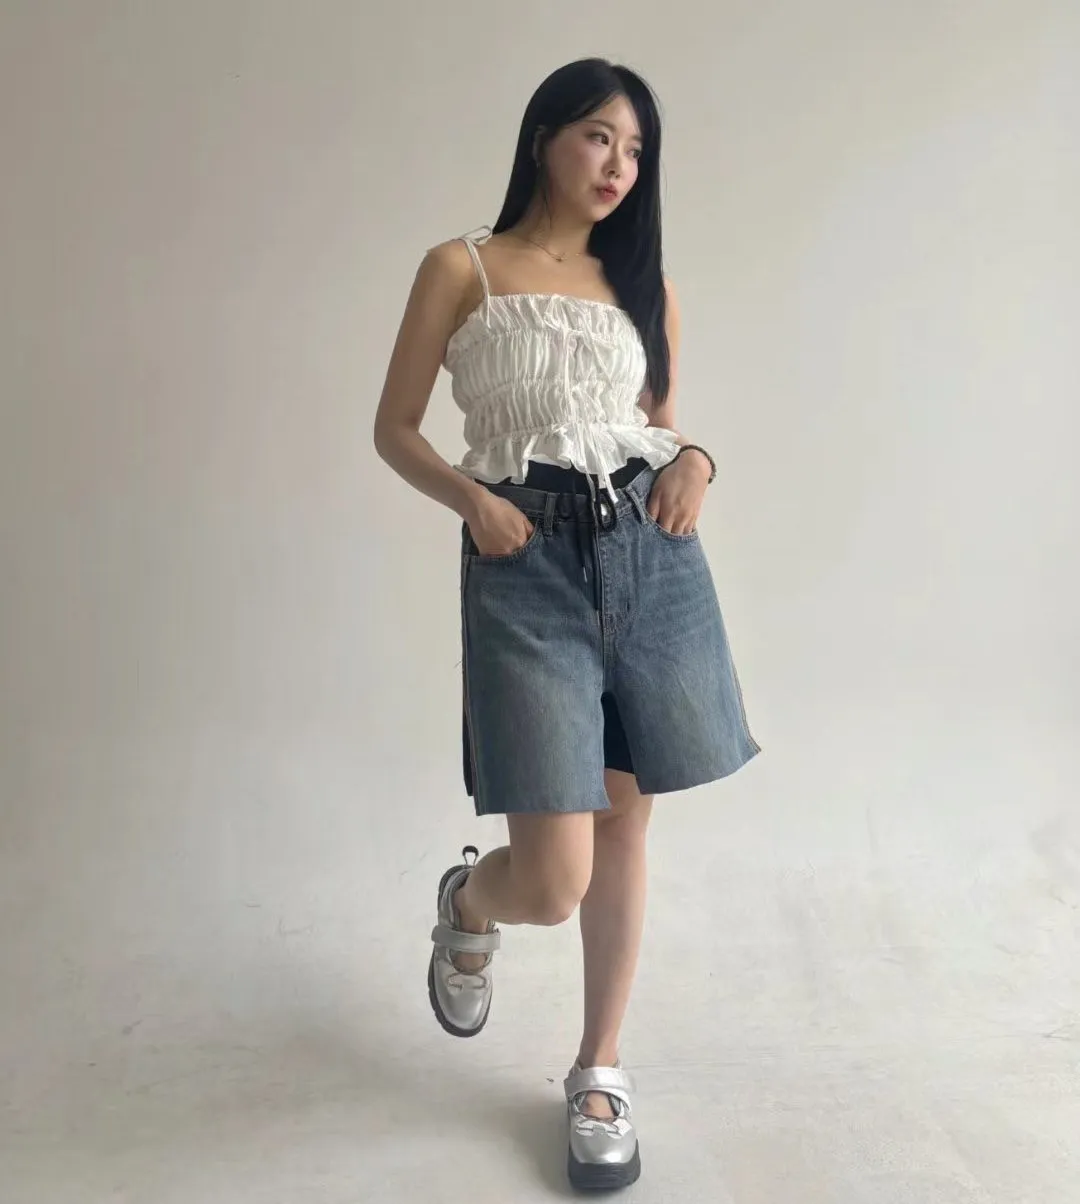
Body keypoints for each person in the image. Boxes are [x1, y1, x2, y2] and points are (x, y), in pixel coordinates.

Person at [374, 57, 760, 1193]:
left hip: (650, 554)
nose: (618, 165)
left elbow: (661, 425)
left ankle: (599, 1068)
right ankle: (467, 902)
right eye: (599, 137)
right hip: (524, 560)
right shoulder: (461, 267)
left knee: (628, 828)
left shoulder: (646, 285)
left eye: (635, 151)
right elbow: (395, 427)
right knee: (551, 881)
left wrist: (698, 460)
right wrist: (473, 501)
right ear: (544, 134)